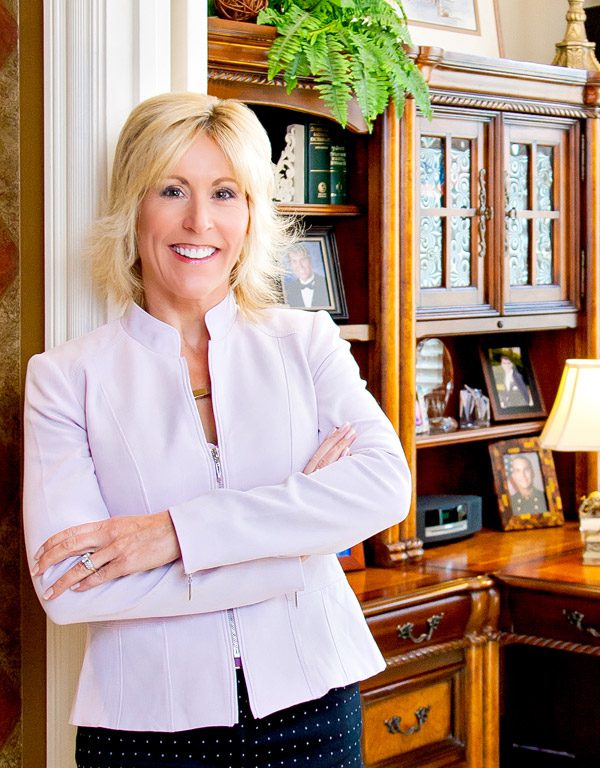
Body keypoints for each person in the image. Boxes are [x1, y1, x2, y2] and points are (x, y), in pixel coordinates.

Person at [23, 92, 411, 767]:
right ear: (133, 207)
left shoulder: (306, 339)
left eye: (225, 193)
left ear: (252, 214)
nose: (199, 220)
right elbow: (71, 583)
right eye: (172, 189)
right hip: (142, 730)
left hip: (315, 706)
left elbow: (383, 488)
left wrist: (171, 535)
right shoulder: (65, 379)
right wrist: (300, 551)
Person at [283, 242, 329, 308]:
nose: (300, 266)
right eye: (294, 261)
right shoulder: (288, 289)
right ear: (291, 265)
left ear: (310, 261)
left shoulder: (326, 284)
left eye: (303, 260)